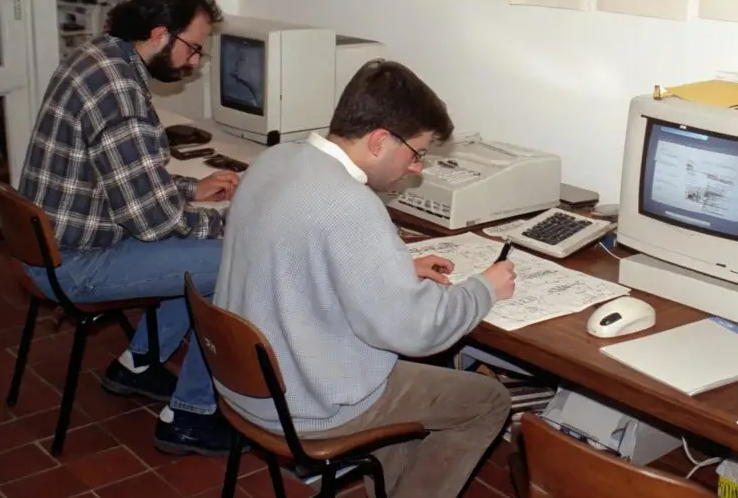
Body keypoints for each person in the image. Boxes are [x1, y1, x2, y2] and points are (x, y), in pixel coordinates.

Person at [213, 59, 516, 497]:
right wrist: (485, 288)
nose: (417, 168)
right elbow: (415, 331)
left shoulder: (276, 159)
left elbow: (291, 254)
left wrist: (395, 270)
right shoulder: (351, 204)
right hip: (309, 403)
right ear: (379, 140)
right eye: (417, 153)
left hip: (245, 383)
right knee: (487, 401)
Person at [18, 0, 240, 456]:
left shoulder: (99, 56)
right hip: (75, 262)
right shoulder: (118, 88)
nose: (195, 63)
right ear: (161, 34)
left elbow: (120, 182)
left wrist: (189, 189)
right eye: (194, 49)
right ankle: (190, 417)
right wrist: (232, 225)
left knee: (199, 257)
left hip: (54, 243)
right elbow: (152, 222)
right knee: (233, 263)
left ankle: (138, 364)